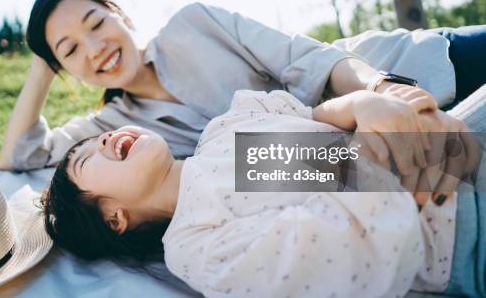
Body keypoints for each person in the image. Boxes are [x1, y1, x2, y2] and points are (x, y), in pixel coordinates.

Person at [0, 0, 480, 202]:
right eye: (70, 50)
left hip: (400, 69)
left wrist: (383, 89)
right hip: (362, 154)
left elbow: (306, 58)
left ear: (121, 15)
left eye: (96, 23)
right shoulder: (114, 134)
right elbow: (20, 155)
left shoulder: (193, 24)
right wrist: (42, 64)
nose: (95, 48)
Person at [39, 86, 485, 298]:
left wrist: (369, 103)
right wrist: (395, 143)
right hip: (461, 227)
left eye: (98, 137)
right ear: (114, 218)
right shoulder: (195, 242)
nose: (102, 140)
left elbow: (324, 121)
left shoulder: (224, 132)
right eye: (86, 159)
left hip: (458, 133)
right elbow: (338, 240)